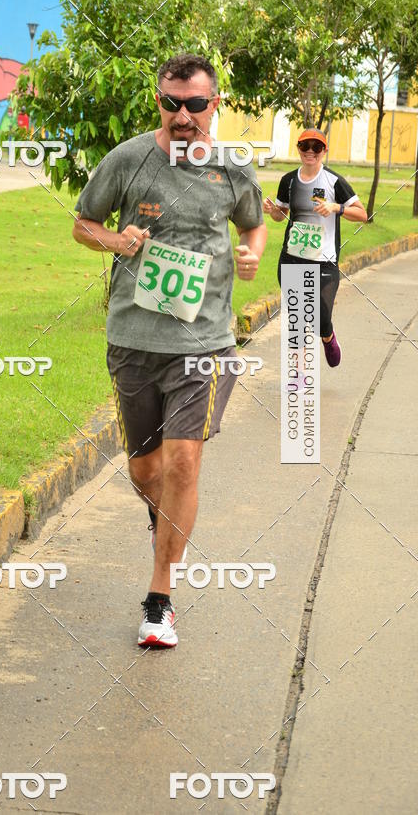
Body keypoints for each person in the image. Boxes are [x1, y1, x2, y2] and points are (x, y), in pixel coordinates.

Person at [73, 54, 266, 648]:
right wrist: (115, 239)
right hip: (133, 340)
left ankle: (160, 600)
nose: (183, 117)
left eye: (196, 105)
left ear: (215, 103)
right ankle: (168, 528)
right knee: (145, 469)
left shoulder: (233, 169)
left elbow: (251, 224)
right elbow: (83, 223)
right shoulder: (128, 159)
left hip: (204, 342)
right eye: (171, 104)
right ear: (159, 101)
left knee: (183, 462)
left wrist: (253, 252)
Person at [264, 128, 367, 367]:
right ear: (298, 148)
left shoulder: (334, 181)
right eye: (305, 146)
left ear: (324, 151)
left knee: (320, 315)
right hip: (292, 257)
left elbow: (362, 214)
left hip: (325, 260)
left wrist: (335, 208)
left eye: (316, 147)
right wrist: (273, 211)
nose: (310, 151)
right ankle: (299, 374)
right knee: (298, 316)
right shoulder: (288, 181)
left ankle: (327, 336)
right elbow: (282, 216)